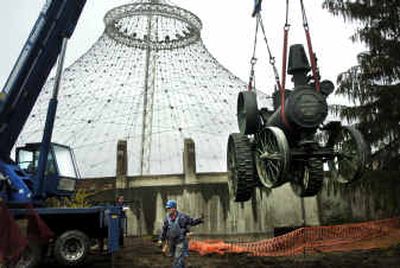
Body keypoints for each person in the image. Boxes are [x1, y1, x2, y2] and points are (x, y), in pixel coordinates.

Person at [158, 200, 203, 268]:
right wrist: (161, 239)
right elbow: (164, 230)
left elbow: (192, 222)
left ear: (174, 208)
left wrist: (199, 220)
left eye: (169, 208)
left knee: (178, 258)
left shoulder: (182, 217)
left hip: (181, 241)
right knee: (176, 258)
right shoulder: (167, 218)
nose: (168, 210)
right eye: (167, 208)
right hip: (172, 242)